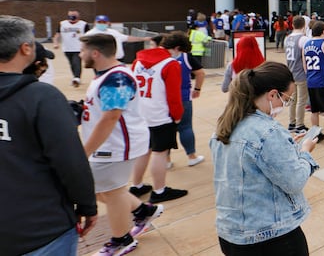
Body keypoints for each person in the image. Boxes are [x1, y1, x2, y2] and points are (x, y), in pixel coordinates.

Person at [0, 16, 98, 256]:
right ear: (25, 48)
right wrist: (86, 204)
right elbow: (69, 160)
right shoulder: (41, 96)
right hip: (40, 228)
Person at [211, 63, 319, 255]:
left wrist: (284, 148)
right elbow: (294, 181)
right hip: (271, 237)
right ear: (272, 94)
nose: (286, 104)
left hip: (231, 233)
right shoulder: (268, 133)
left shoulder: (225, 124)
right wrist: (305, 152)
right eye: (287, 99)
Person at [79, 33, 164, 255]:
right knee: (104, 191)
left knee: (110, 192)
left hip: (116, 146)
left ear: (95, 53)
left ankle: (122, 240)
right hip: (110, 146)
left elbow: (110, 117)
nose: (80, 54)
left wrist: (84, 152)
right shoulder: (107, 76)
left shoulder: (116, 78)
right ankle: (143, 211)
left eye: (83, 50)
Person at [129, 36, 187, 202]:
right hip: (160, 114)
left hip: (140, 113)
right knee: (160, 152)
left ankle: (136, 185)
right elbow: (174, 96)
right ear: (176, 48)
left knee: (143, 150)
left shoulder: (138, 60)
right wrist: (177, 116)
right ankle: (160, 191)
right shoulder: (170, 64)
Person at [162, 31, 206, 167]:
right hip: (183, 97)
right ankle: (192, 156)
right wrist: (197, 89)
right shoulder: (186, 57)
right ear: (179, 47)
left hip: (163, 99)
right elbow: (200, 73)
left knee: (166, 129)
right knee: (185, 127)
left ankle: (166, 160)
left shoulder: (161, 58)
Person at [84, 14, 151, 60]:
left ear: (108, 23)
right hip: (102, 61)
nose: (101, 24)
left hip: (119, 59)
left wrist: (143, 39)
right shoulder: (90, 34)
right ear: (95, 22)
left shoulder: (114, 32)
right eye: (99, 22)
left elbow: (127, 38)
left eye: (104, 22)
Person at [284, 16, 310, 133]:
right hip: (301, 72)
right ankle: (300, 124)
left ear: (292, 25)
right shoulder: (303, 39)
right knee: (301, 100)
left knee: (293, 99)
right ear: (304, 25)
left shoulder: (287, 38)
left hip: (291, 71)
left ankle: (292, 122)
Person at [53, 9, 90, 86]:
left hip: (78, 47)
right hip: (67, 48)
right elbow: (57, 35)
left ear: (78, 16)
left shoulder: (83, 24)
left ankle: (77, 78)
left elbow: (88, 36)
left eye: (74, 16)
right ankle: (75, 77)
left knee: (76, 62)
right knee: (72, 63)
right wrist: (55, 43)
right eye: (70, 16)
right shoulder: (62, 24)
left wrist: (87, 45)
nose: (72, 18)